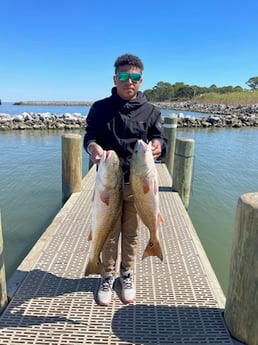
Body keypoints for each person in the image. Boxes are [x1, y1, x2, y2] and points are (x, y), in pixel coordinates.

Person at [83, 53, 167, 306]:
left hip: (136, 185)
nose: (128, 81)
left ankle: (126, 273)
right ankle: (106, 275)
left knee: (130, 233)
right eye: (123, 76)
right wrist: (93, 149)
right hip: (108, 183)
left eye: (134, 77)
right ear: (115, 78)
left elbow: (160, 139)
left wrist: (157, 146)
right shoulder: (100, 108)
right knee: (108, 231)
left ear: (141, 81)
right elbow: (89, 137)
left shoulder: (151, 111)